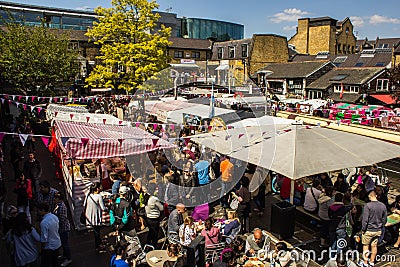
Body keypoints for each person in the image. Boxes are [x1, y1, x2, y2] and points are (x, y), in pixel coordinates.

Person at [360, 191, 387, 267]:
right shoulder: (383, 206)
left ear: (371, 196)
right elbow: (384, 219)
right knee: (374, 246)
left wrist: (363, 229)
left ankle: (365, 263)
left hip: (368, 230)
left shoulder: (367, 205)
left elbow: (365, 219)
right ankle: (372, 262)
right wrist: (381, 226)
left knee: (366, 246)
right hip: (378, 230)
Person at [37, 202, 62, 267]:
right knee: (55, 262)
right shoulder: (54, 217)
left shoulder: (44, 222)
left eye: (38, 210)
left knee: (46, 263)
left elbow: (44, 238)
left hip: (49, 247)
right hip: (57, 243)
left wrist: (43, 246)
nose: (38, 212)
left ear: (42, 210)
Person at [85, 182, 107, 253]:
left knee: (96, 230)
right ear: (97, 189)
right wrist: (108, 206)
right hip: (95, 216)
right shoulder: (99, 196)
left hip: (90, 215)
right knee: (97, 232)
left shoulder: (89, 195)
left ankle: (99, 241)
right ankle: (98, 245)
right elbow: (103, 208)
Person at [53, 192, 72, 267]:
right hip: (60, 229)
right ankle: (65, 256)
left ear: (59, 199)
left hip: (63, 228)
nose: (54, 199)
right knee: (64, 244)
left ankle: (68, 258)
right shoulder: (57, 205)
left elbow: (62, 220)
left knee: (65, 244)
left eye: (56, 198)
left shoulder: (62, 207)